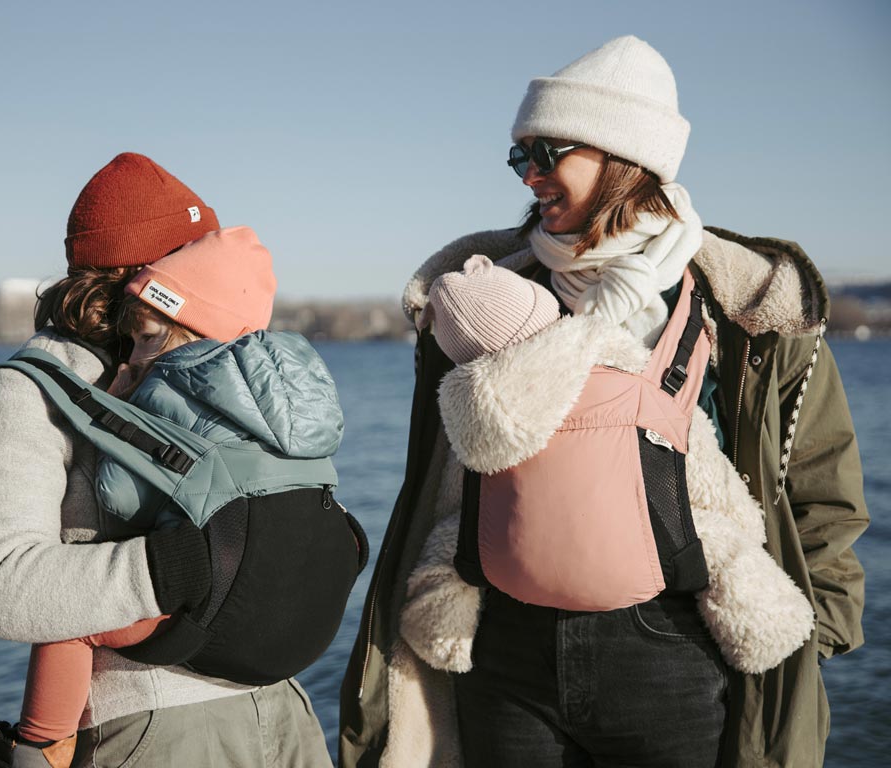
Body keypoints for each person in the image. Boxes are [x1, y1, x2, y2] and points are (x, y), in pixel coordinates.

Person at [339, 35, 868, 768]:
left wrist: (818, 632)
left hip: (676, 648)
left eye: (546, 153)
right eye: (518, 158)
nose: (528, 177)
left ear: (624, 156)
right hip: (505, 649)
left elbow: (819, 482)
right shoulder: (487, 296)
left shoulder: (747, 306)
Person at [0, 154, 333, 768]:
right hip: (155, 724)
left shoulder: (235, 368)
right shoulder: (26, 390)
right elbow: (5, 585)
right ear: (147, 273)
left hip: (284, 702)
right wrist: (185, 564)